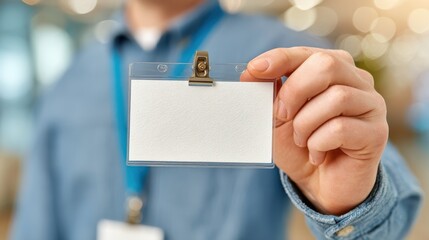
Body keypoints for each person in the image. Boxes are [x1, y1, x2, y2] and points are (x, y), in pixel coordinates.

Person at [11, 0, 422, 239]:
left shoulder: (291, 58)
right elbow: (36, 225)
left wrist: (351, 201)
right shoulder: (69, 79)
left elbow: (393, 215)